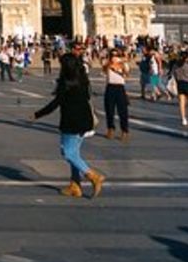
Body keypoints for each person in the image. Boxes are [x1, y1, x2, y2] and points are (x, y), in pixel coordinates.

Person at [33, 52, 104, 198]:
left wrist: (37, 114)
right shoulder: (83, 79)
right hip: (85, 120)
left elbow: (55, 103)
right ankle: (75, 185)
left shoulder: (65, 83)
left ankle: (93, 176)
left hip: (71, 121)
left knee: (68, 153)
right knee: (75, 153)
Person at [103, 46, 131, 141]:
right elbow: (104, 69)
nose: (114, 57)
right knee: (109, 110)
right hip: (110, 87)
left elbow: (127, 74)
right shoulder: (107, 63)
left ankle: (124, 130)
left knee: (122, 111)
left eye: (117, 55)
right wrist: (110, 63)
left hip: (120, 87)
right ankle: (110, 128)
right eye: (112, 55)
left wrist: (121, 64)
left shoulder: (123, 64)